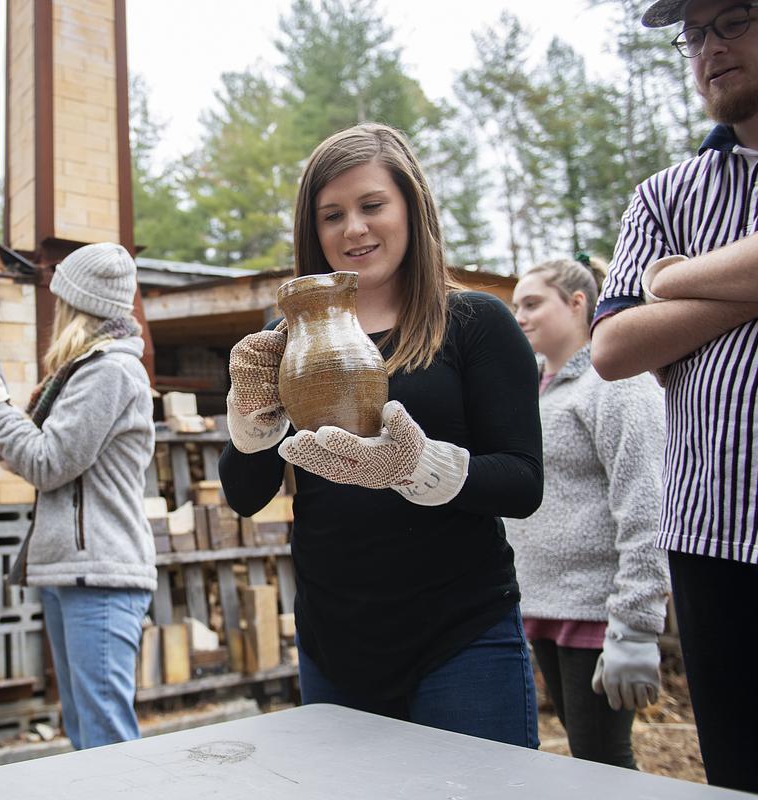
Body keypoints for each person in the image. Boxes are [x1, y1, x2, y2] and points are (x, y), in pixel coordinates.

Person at [219, 123, 543, 746]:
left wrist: (419, 467)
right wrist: (253, 423)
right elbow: (244, 494)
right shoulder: (286, 339)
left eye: (372, 206)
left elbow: (523, 482)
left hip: (461, 637)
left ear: (411, 208)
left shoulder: (474, 322)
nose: (353, 230)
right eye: (331, 215)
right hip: (332, 639)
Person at [590, 0, 758, 791]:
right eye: (693, 34)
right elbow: (615, 346)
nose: (708, 48)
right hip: (714, 529)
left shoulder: (670, 234)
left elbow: (644, 313)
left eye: (734, 19)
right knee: (738, 769)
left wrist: (669, 279)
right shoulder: (665, 195)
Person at [0, 241, 156, 751]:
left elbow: (49, 463)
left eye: (62, 300)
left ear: (78, 305)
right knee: (84, 734)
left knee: (104, 740)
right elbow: (47, 457)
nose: (56, 309)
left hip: (101, 572)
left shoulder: (110, 371)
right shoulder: (86, 369)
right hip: (73, 567)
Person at [507, 256, 669, 769]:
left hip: (599, 611)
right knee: (582, 754)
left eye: (532, 303)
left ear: (578, 303)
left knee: (602, 759)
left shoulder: (617, 382)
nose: (520, 317)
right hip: (545, 605)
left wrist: (636, 624)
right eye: (515, 307)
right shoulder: (533, 392)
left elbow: (646, 499)